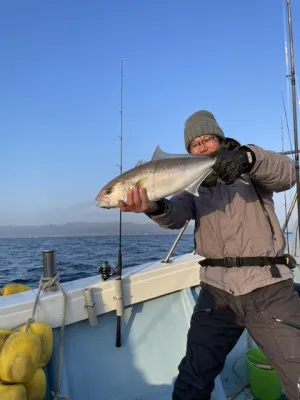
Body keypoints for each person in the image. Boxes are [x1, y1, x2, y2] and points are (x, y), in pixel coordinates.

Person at [118, 110, 300, 400]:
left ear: (221, 139)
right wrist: (153, 207)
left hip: (269, 286)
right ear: (188, 152)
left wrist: (248, 158)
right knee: (192, 379)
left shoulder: (250, 168)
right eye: (195, 144)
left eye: (208, 140)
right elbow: (175, 215)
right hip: (216, 292)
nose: (202, 147)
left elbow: (288, 173)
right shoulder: (192, 187)